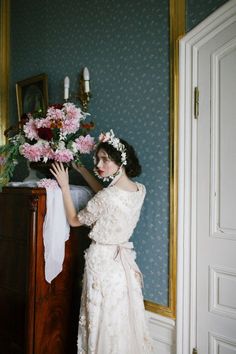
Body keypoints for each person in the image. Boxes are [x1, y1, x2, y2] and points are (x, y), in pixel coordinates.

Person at [50, 129, 153, 354]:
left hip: (103, 262)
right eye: (98, 158)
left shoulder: (108, 197)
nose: (99, 163)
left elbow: (75, 220)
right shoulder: (139, 190)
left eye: (105, 159)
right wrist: (85, 171)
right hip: (122, 263)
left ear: (121, 161)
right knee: (118, 316)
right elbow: (106, 197)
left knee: (100, 315)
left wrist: (65, 186)